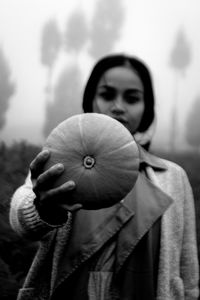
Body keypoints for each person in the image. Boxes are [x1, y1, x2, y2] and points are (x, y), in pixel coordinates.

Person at [9, 54, 199, 300]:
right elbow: (21, 222)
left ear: (146, 108)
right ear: (91, 100)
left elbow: (187, 267)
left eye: (132, 98)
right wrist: (43, 209)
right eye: (107, 95)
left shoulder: (173, 176)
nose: (118, 106)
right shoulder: (57, 161)